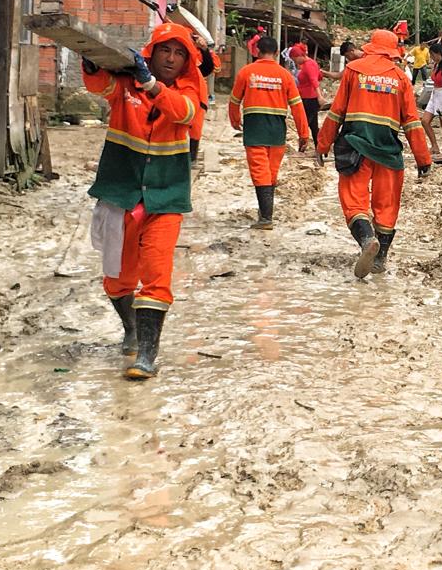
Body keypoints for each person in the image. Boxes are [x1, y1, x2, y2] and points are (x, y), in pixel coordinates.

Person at [82, 22, 201, 380]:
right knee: (118, 278)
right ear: (152, 52)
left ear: (187, 62)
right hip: (121, 193)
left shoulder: (189, 90)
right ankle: (131, 329)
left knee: (156, 275)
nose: (171, 58)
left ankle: (147, 355)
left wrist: (152, 85)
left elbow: (185, 113)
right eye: (166, 50)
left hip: (165, 198)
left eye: (180, 53)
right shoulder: (126, 86)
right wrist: (90, 64)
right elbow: (101, 85)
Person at [316, 29, 432, 278]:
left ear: (370, 47)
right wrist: (424, 160)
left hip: (354, 147)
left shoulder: (353, 70)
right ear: (393, 53)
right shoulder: (401, 79)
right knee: (387, 205)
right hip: (388, 151)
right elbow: (412, 122)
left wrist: (322, 145)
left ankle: (367, 239)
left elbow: (336, 112)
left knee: (354, 200)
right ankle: (379, 260)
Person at [228, 36, 310, 230]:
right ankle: (266, 213)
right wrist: (303, 134)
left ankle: (266, 217)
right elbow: (297, 107)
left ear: (256, 50)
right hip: (276, 131)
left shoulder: (246, 72)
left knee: (259, 171)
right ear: (276, 52)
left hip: (255, 129)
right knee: (271, 171)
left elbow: (234, 100)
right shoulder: (285, 75)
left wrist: (235, 120)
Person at [190, 34, 222, 166]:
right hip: (186, 93)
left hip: (197, 95)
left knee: (194, 129)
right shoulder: (183, 52)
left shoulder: (201, 52)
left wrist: (205, 50)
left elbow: (213, 68)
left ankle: (191, 158)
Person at [422, 43, 442, 158]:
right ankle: (434, 146)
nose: (431, 57)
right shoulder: (437, 65)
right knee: (425, 121)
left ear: (437, 54)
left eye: (432, 54)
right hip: (434, 94)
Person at [290, 42, 323, 139]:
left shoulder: (308, 65)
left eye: (294, 59)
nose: (295, 62)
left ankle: (303, 146)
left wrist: (320, 96)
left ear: (299, 56)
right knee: (313, 126)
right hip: (310, 98)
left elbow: (314, 80)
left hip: (309, 99)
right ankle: (319, 149)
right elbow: (319, 77)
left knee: (304, 124)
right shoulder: (311, 63)